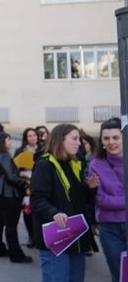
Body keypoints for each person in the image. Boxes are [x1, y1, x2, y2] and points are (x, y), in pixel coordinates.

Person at [31, 123, 99, 282]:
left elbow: (77, 199)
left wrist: (89, 188)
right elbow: (37, 199)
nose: (79, 143)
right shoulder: (44, 164)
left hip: (75, 235)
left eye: (79, 139)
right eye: (74, 139)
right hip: (56, 237)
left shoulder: (73, 163)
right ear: (61, 140)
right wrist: (53, 213)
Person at [0, 131, 33, 263]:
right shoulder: (4, 156)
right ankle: (16, 254)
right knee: (11, 225)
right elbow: (12, 177)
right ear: (2, 142)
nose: (10, 142)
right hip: (8, 193)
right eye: (8, 139)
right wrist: (26, 185)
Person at [88, 118, 124, 282]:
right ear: (101, 141)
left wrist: (114, 200)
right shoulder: (95, 165)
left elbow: (108, 199)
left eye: (116, 137)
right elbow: (101, 200)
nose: (111, 142)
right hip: (109, 230)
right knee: (120, 275)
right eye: (106, 138)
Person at [14, 127, 41, 248]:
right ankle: (31, 236)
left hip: (40, 183)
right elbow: (15, 167)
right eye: (29, 136)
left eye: (34, 135)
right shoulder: (20, 150)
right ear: (26, 138)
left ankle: (40, 235)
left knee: (40, 210)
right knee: (28, 211)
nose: (32, 138)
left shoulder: (43, 150)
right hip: (26, 184)